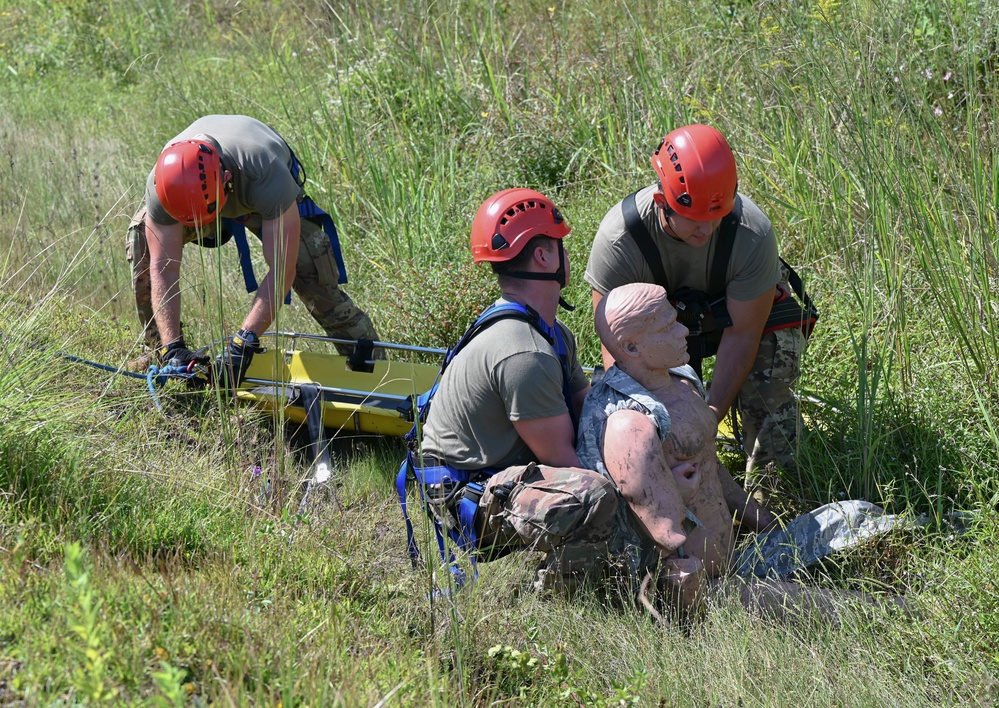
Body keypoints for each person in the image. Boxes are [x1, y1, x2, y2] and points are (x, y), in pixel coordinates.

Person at [577, 283, 908, 620]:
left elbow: (709, 466)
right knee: (853, 608)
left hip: (735, 558)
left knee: (854, 516)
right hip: (700, 589)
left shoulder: (680, 378)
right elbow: (668, 543)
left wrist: (768, 525)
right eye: (667, 327)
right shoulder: (630, 426)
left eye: (676, 320)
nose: (683, 331)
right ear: (631, 347)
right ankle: (897, 614)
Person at [399, 187, 621, 591]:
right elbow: (567, 462)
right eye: (560, 244)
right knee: (595, 496)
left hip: (491, 475)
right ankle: (556, 599)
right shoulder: (524, 352)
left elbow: (587, 409)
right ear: (543, 256)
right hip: (464, 497)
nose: (566, 254)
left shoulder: (551, 334)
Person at [584, 124, 815, 498]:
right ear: (662, 204)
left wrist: (706, 421)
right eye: (694, 224)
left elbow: (743, 335)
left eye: (717, 217)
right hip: (659, 333)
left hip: (735, 323)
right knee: (623, 412)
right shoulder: (620, 240)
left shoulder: (751, 233)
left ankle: (772, 493)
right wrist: (657, 431)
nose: (706, 232)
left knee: (771, 371)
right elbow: (620, 350)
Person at [126, 114, 381, 385]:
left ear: (226, 179)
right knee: (141, 236)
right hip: (200, 200)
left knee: (312, 273)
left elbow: (282, 270)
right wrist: (173, 346)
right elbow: (163, 267)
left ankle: (373, 368)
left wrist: (243, 343)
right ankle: (163, 353)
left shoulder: (265, 172)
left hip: (260, 194)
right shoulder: (161, 184)